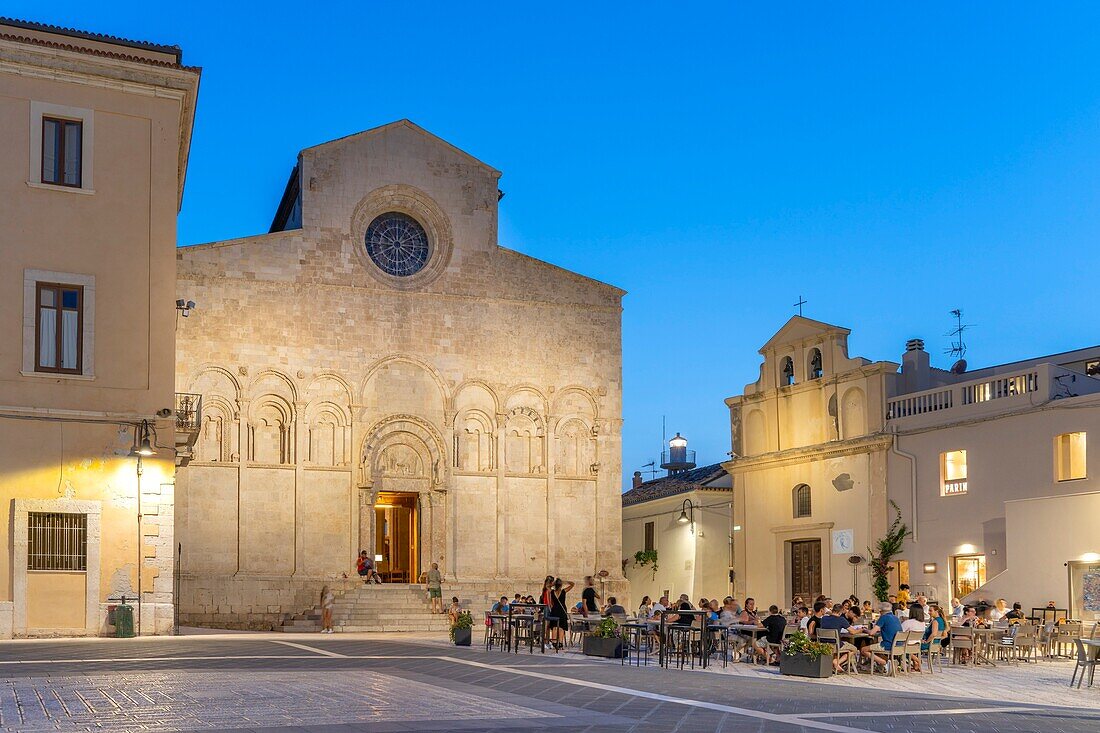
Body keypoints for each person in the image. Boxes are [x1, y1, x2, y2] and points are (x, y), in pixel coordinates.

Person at [861, 601, 903, 671]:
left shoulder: (883, 618)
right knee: (874, 648)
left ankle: (884, 663)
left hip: (888, 644)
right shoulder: (896, 618)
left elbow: (871, 633)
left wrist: (864, 630)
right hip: (899, 645)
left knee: (863, 650)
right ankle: (886, 663)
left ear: (881, 611)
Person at [818, 604, 859, 672]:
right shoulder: (841, 619)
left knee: (841, 643)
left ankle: (834, 664)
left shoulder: (823, 618)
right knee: (854, 649)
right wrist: (861, 630)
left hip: (823, 644)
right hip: (835, 646)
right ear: (840, 612)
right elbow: (853, 632)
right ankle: (837, 662)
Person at [547, 578, 575, 650]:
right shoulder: (563, 591)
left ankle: (554, 643)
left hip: (554, 610)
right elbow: (572, 584)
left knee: (554, 627)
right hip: (562, 611)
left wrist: (553, 584)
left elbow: (547, 586)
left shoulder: (552, 592)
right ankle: (560, 643)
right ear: (561, 585)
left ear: (555, 585)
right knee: (561, 627)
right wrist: (565, 581)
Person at [900, 604, 926, 671]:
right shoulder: (923, 623)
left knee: (897, 647)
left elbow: (900, 632)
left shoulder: (908, 622)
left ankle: (918, 661)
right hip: (917, 644)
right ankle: (916, 663)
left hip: (906, 644)